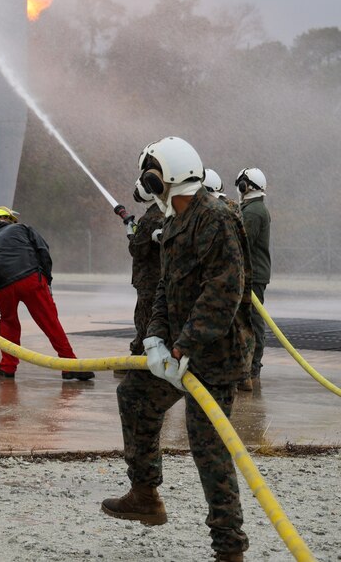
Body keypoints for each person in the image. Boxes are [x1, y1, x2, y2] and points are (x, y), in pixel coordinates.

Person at [102, 136, 253, 562]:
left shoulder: (216, 217)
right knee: (134, 396)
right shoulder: (173, 218)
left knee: (208, 448)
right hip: (179, 348)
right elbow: (166, 288)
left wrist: (183, 345)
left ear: (162, 176)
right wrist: (154, 338)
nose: (146, 183)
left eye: (149, 174)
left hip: (215, 356)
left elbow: (222, 293)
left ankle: (229, 548)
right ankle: (145, 494)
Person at [0, 207, 94, 381]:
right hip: (30, 278)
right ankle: (69, 365)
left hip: (2, 286)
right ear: (7, 218)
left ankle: (7, 368)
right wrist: (46, 279)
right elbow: (43, 250)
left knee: (8, 322)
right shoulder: (22, 228)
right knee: (49, 321)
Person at [117, 180, 164, 377]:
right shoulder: (163, 213)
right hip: (160, 279)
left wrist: (130, 232)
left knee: (144, 319)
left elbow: (137, 249)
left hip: (147, 280)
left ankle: (138, 360)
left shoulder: (148, 219)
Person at [236, 167, 270, 392]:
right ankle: (249, 368)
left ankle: (251, 369)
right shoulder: (253, 208)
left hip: (252, 274)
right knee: (250, 320)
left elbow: (241, 242)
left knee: (252, 321)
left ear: (245, 186)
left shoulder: (253, 212)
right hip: (255, 273)